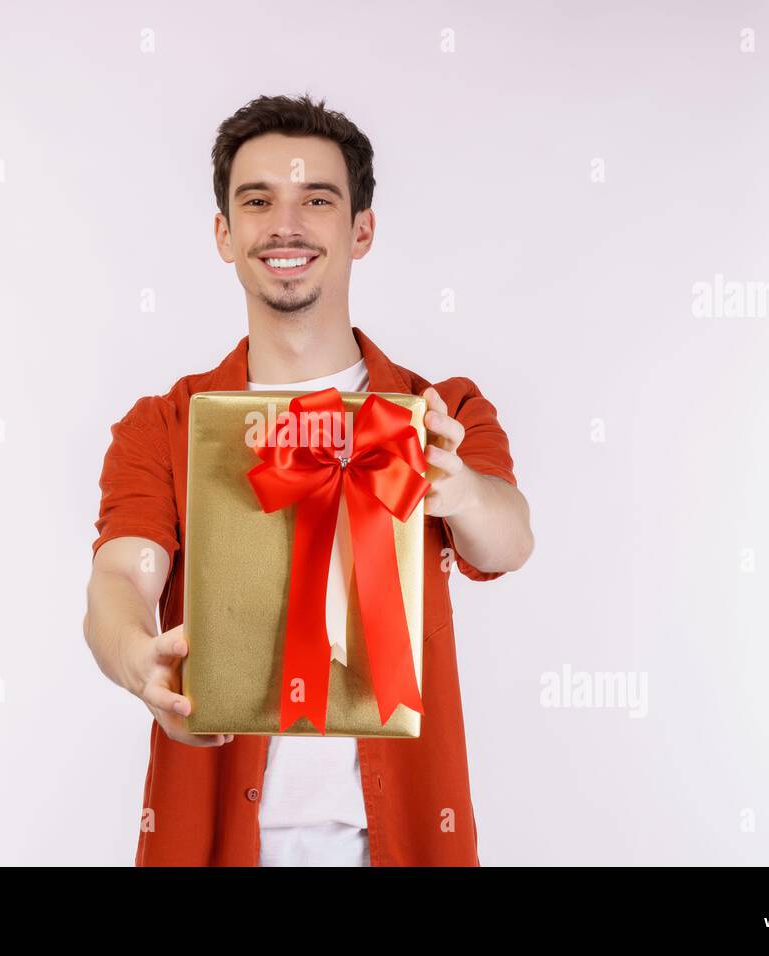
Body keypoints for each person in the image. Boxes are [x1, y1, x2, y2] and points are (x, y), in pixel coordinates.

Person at [83, 93, 534, 866]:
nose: (284, 225)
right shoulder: (165, 423)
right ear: (225, 234)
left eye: (316, 200)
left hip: (406, 842)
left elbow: (508, 538)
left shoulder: (439, 409)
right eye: (257, 201)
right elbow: (124, 572)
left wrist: (456, 491)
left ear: (361, 229)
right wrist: (138, 661)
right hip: (214, 840)